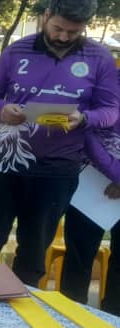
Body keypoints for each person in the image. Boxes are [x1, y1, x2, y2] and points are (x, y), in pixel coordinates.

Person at [0, 0, 119, 285]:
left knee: (34, 252)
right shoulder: (18, 50)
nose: (63, 37)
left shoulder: (99, 58)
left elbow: (110, 110)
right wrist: (1, 110)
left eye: (73, 32)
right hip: (6, 162)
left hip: (58, 169)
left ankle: (22, 309)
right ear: (46, 15)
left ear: (85, 26)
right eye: (58, 28)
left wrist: (84, 118)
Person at [59, 117, 120, 314]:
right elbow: (82, 128)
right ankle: (70, 321)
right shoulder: (103, 95)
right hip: (89, 181)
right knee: (78, 258)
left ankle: (113, 326)